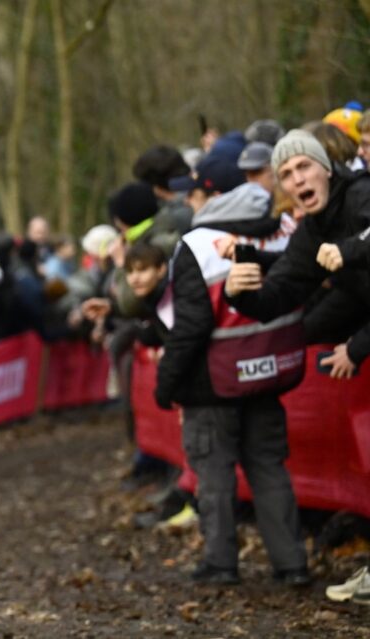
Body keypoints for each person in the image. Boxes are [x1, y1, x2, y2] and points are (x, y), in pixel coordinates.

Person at [157, 147, 308, 586]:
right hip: (270, 372)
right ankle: (292, 563)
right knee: (269, 468)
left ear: (214, 194)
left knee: (214, 474)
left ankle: (221, 563)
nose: (188, 202)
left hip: (211, 384)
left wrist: (166, 385)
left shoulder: (197, 244)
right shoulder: (285, 229)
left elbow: (190, 327)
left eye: (195, 193)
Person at [226, 130, 370, 379]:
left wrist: (357, 348)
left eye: (304, 166)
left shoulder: (361, 193)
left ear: (326, 169)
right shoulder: (310, 234)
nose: (299, 179)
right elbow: (278, 295)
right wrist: (239, 294)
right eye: (286, 175)